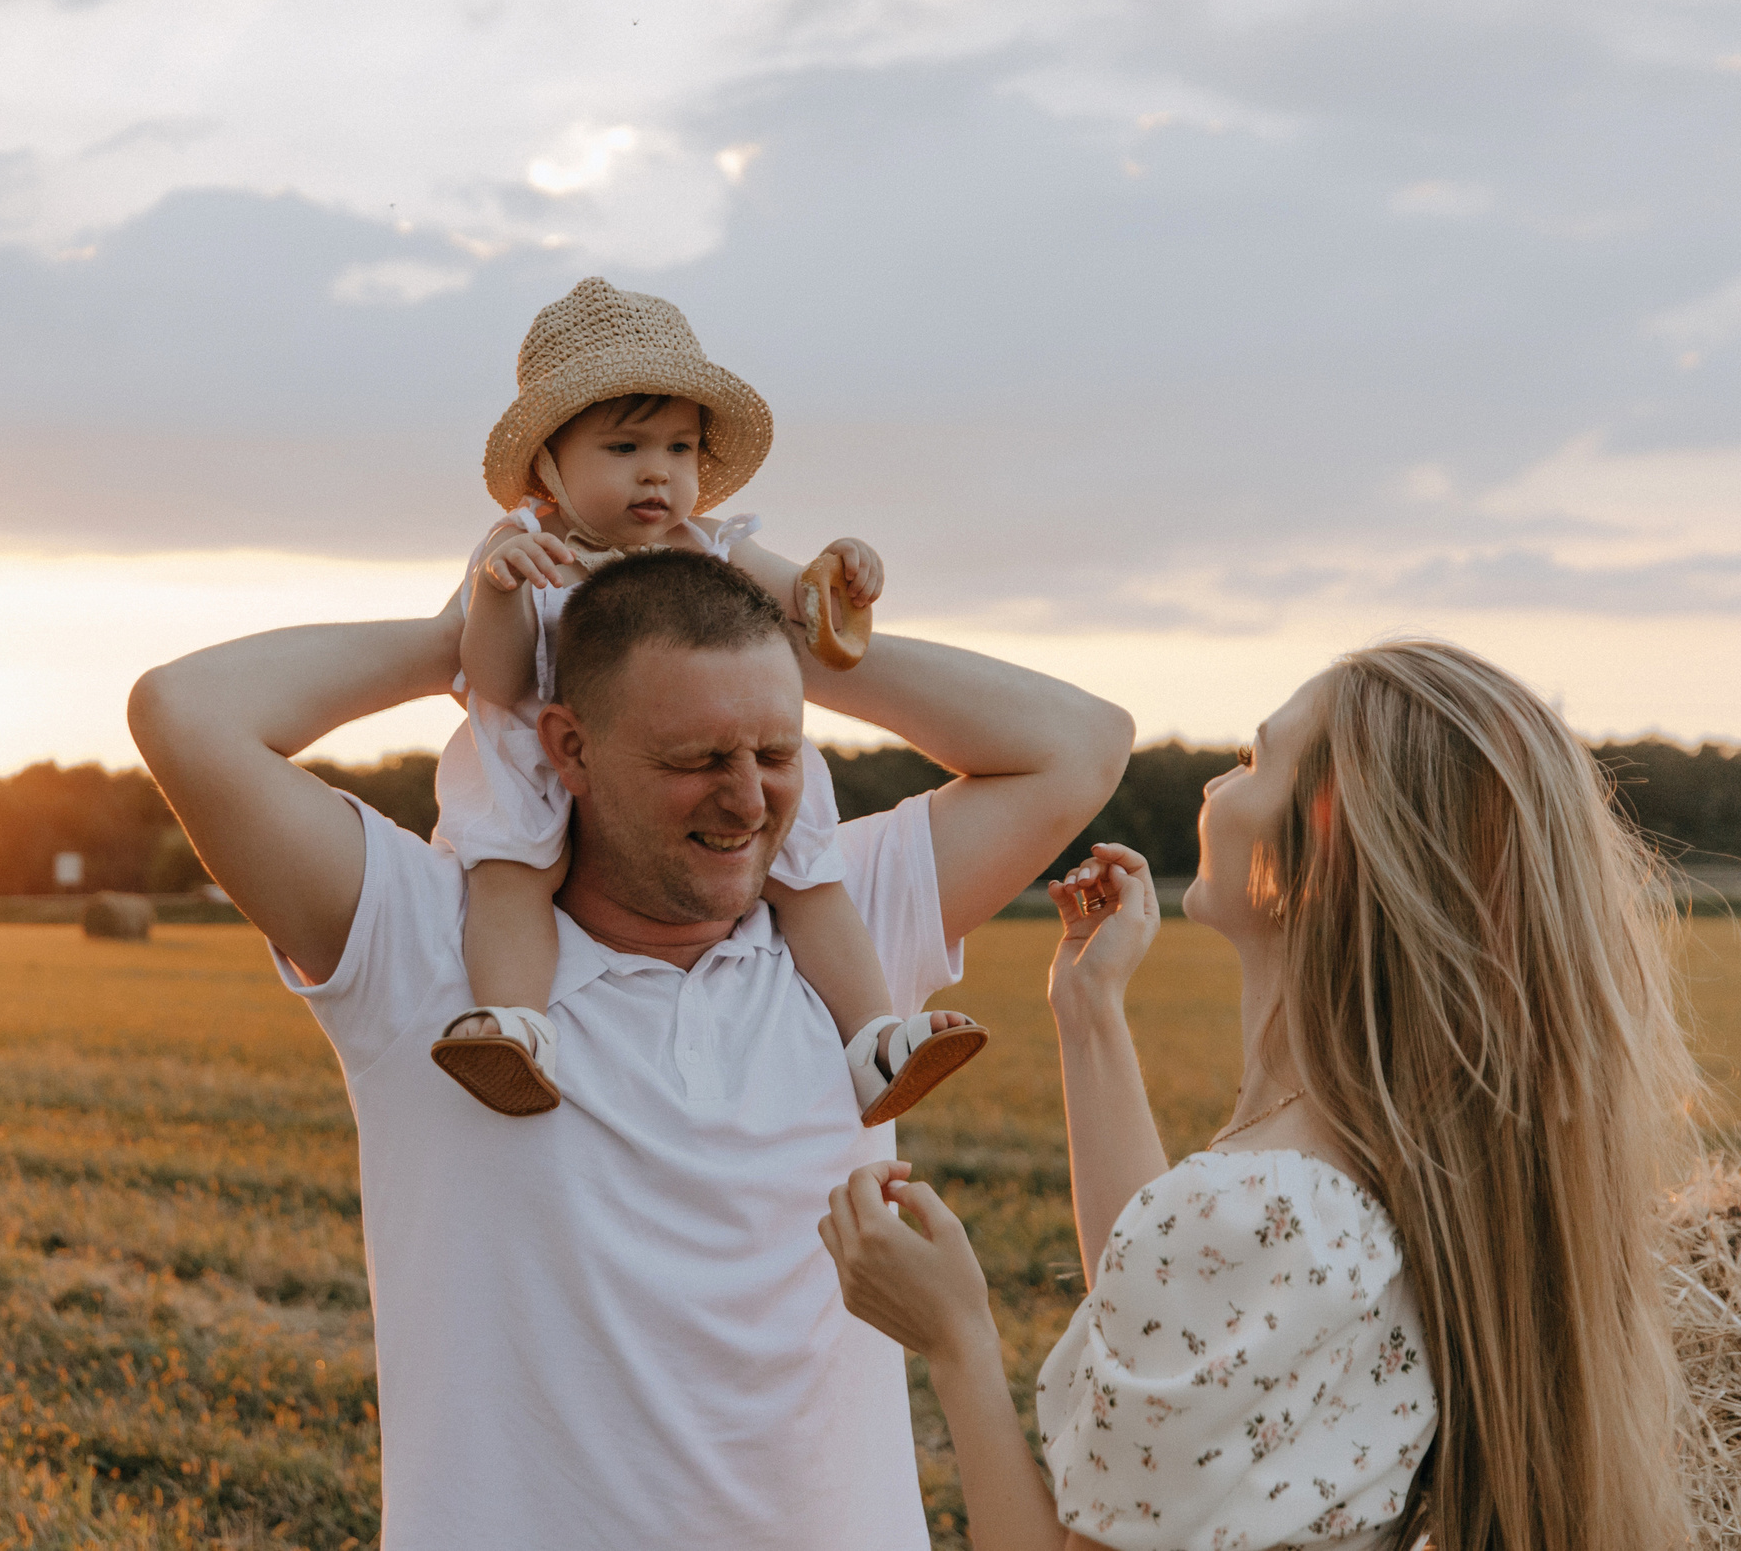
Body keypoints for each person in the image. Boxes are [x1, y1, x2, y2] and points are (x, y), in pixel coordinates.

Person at [129, 546, 1131, 1550]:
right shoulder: (428, 944)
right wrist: (477, 648)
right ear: (566, 746)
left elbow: (1083, 742)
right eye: (696, 759)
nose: (748, 802)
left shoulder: (846, 925)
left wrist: (798, 623)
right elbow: (185, 714)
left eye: (776, 752)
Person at [820, 639, 1698, 1551]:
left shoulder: (1263, 1209)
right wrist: (1089, 1011)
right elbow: (1166, 1310)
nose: (1213, 783)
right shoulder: (1389, 1177)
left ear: (1325, 834)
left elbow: (1187, 1262)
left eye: (1250, 758)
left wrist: (956, 1338)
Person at [432, 275, 983, 1128]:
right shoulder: (523, 547)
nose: (659, 472)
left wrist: (840, 568)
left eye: (681, 449)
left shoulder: (708, 544)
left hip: (708, 753)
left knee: (810, 875)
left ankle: (876, 1037)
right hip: (542, 751)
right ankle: (515, 1024)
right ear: (547, 462)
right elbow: (497, 682)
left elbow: (803, 605)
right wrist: (497, 591)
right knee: (513, 872)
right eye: (625, 447)